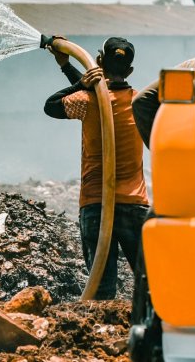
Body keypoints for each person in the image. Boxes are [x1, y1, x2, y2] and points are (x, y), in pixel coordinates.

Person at [43, 36, 150, 300]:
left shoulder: (86, 101)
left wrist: (78, 78)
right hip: (134, 205)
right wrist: (70, 69)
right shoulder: (140, 104)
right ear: (131, 71)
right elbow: (100, 94)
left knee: (101, 293)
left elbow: (52, 106)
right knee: (152, 284)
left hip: (96, 205)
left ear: (99, 62)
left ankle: (99, 335)